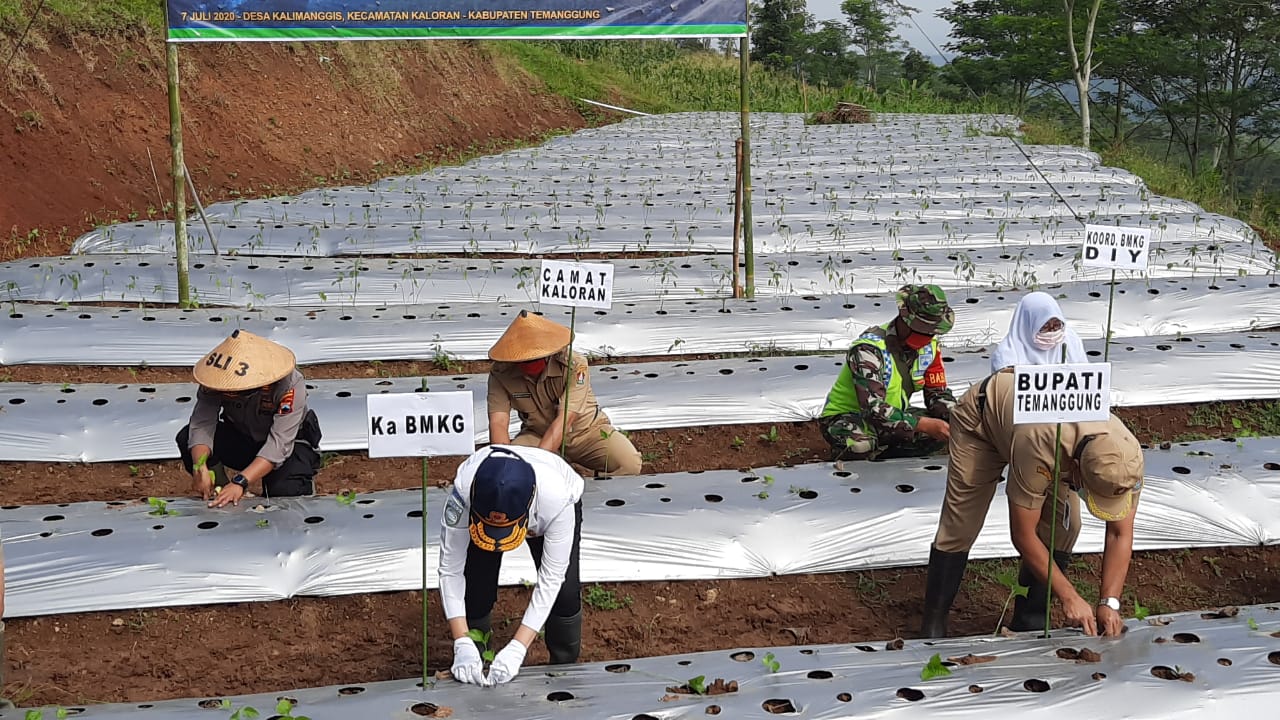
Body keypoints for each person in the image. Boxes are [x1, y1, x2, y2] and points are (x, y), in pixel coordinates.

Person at [919, 369, 1145, 639]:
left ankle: (1030, 619)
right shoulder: (1038, 444)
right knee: (962, 523)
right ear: (1075, 471)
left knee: (1066, 526)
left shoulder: (1127, 459)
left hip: (1055, 442)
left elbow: (1120, 531)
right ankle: (933, 624)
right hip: (982, 424)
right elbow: (1023, 535)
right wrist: (1070, 596)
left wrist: (1110, 602)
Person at [441, 445, 584, 686]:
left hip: (551, 506)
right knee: (476, 588)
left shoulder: (558, 499)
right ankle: (474, 659)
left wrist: (518, 646)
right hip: (481, 512)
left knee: (565, 594)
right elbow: (450, 569)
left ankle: (563, 668)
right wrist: (461, 640)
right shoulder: (463, 493)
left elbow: (551, 578)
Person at [176, 329, 323, 508]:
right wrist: (200, 465)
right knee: (186, 437)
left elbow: (279, 444)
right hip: (244, 438)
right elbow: (202, 423)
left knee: (284, 494)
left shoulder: (290, 385)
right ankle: (220, 491)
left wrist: (240, 481)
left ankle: (288, 484)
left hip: (290, 446)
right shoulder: (216, 378)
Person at [487, 310, 642, 476]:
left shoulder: (574, 366)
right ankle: (559, 470)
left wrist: (539, 463)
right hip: (537, 436)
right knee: (514, 469)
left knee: (630, 464)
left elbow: (565, 420)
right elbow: (498, 423)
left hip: (586, 434)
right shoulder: (501, 374)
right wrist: (504, 463)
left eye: (534, 357)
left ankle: (588, 477)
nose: (528, 363)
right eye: (523, 359)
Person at [819, 284, 957, 461]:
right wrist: (922, 424)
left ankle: (891, 462)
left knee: (941, 430)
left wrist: (957, 417)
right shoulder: (868, 350)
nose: (930, 337)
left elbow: (937, 393)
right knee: (859, 444)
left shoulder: (929, 347)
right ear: (906, 322)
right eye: (926, 331)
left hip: (893, 414)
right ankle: (850, 467)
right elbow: (872, 408)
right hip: (850, 417)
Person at [990, 291, 1088, 372]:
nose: (1052, 332)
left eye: (1056, 325)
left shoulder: (1071, 341)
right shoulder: (1006, 356)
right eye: (1045, 327)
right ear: (1027, 326)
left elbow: (1087, 375)